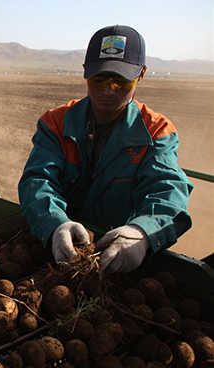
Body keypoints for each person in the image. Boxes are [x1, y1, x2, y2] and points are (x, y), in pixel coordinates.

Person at [18, 25, 193, 274]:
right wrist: (54, 224)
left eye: (120, 81)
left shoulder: (155, 132)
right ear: (85, 72)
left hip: (115, 258)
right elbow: (38, 180)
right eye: (98, 79)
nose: (108, 90)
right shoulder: (56, 123)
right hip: (54, 245)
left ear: (141, 74)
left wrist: (140, 234)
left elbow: (168, 192)